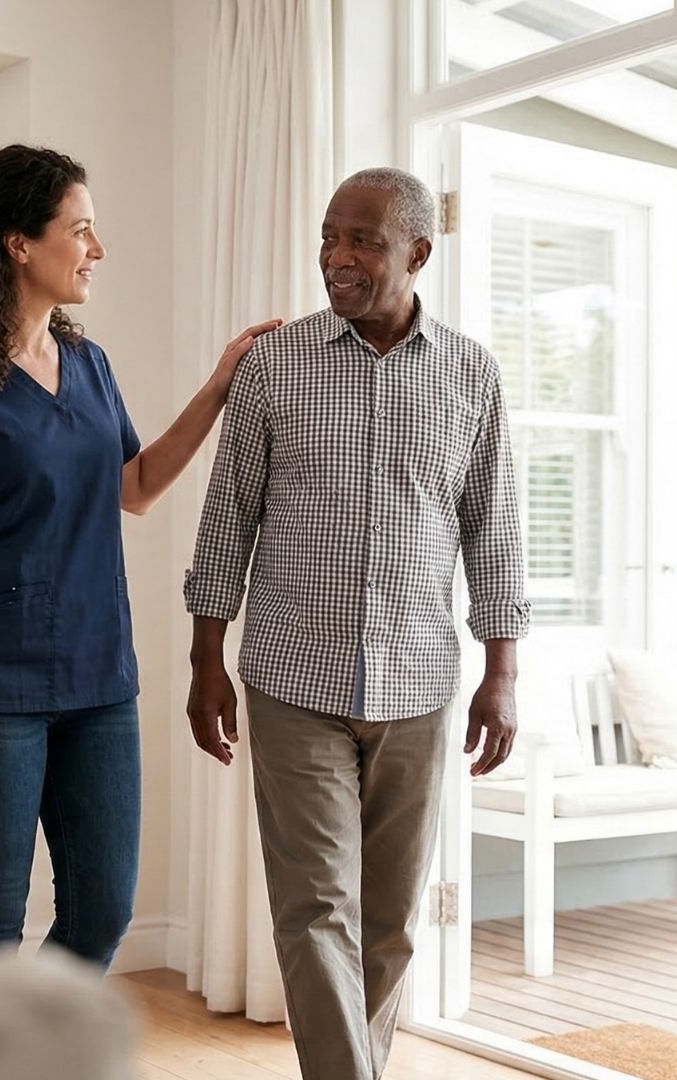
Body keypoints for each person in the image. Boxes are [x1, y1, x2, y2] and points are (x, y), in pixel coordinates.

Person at [0, 143, 278, 968]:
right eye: (81, 231)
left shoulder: (90, 365)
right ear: (19, 244)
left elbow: (132, 487)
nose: (97, 250)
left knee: (102, 912)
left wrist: (217, 388)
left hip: (100, 678)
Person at [183, 166, 529, 1079]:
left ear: (417, 252)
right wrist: (204, 661)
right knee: (313, 911)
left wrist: (504, 670)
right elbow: (227, 520)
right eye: (330, 237)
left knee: (388, 924)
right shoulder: (275, 364)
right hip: (296, 675)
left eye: (364, 241)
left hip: (418, 679)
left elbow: (493, 530)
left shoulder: (472, 374)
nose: (338, 257)